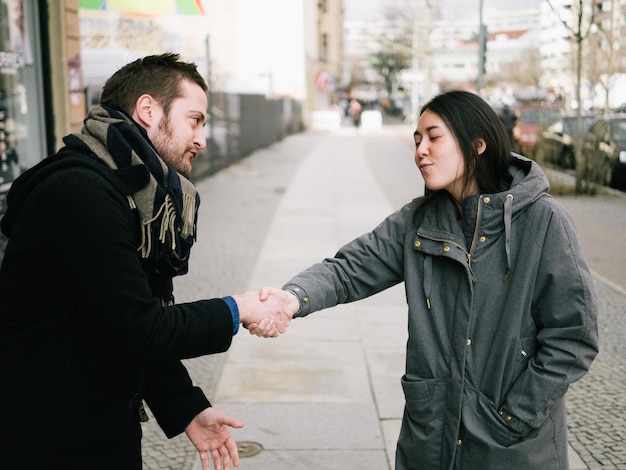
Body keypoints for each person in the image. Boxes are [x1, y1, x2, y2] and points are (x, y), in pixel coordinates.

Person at [257, 90, 599, 469]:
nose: (420, 149)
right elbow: (349, 268)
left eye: (434, 137)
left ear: (477, 144)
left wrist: (516, 413)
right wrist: (291, 298)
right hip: (429, 441)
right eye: (417, 139)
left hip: (512, 448)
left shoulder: (543, 222)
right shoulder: (418, 222)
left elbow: (573, 336)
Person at [0, 53, 293, 470]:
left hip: (97, 426)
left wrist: (186, 407)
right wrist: (238, 308)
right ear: (148, 110)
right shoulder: (80, 193)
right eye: (195, 120)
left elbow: (125, 322)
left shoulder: (132, 193)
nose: (202, 139)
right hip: (52, 439)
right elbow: (141, 329)